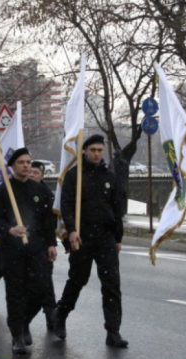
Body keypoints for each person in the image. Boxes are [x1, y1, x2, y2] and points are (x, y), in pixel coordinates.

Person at [52, 134, 127, 348]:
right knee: (78, 280)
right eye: (93, 150)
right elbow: (66, 205)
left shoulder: (108, 175)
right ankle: (61, 314)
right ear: (84, 151)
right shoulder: (75, 175)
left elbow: (116, 208)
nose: (96, 154)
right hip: (82, 237)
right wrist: (72, 231)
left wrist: (118, 237)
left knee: (112, 284)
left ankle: (113, 331)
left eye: (99, 150)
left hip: (105, 237)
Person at [0, 148, 57, 354]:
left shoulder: (40, 190)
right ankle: (17, 334)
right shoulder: (3, 191)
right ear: (12, 166)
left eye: (28, 162)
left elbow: (48, 220)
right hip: (12, 249)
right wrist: (9, 229)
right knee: (15, 293)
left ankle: (25, 320)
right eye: (21, 163)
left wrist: (51, 243)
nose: (26, 166)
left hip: (36, 247)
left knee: (40, 289)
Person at [29, 160, 57, 330]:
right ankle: (22, 324)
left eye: (36, 173)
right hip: (21, 245)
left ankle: (51, 317)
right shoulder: (16, 191)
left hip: (41, 244)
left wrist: (51, 244)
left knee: (45, 282)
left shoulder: (47, 194)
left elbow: (50, 223)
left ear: (42, 176)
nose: (32, 175)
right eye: (30, 172)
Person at [113, 149, 129, 217]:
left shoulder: (113, 162)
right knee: (122, 198)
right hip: (122, 183)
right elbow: (127, 173)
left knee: (115, 198)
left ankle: (116, 211)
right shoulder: (125, 162)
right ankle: (122, 211)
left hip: (115, 183)